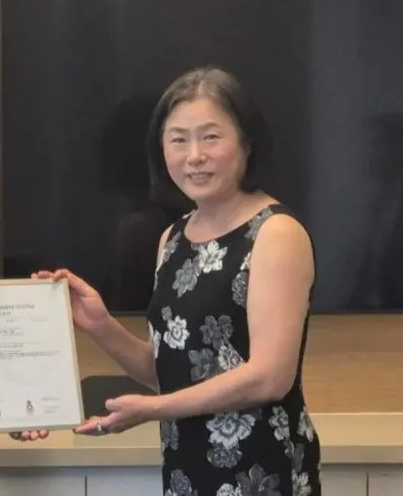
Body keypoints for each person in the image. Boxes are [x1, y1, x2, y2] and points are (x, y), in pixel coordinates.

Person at [37, 66, 321, 495]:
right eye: (178, 139)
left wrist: (154, 409)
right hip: (187, 466)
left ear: (246, 142)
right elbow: (169, 372)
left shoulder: (275, 232)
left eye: (211, 137)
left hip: (262, 469)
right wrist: (100, 325)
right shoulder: (172, 238)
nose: (194, 156)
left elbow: (270, 376)